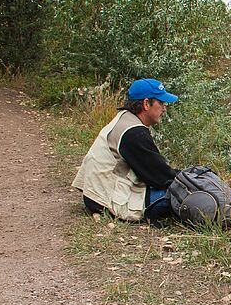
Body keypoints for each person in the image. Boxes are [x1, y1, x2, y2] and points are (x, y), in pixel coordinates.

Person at [72, 78, 179, 223]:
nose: (164, 108)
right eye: (161, 103)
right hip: (106, 201)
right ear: (146, 104)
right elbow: (161, 177)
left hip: (95, 195)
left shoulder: (125, 119)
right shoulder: (134, 133)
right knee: (181, 194)